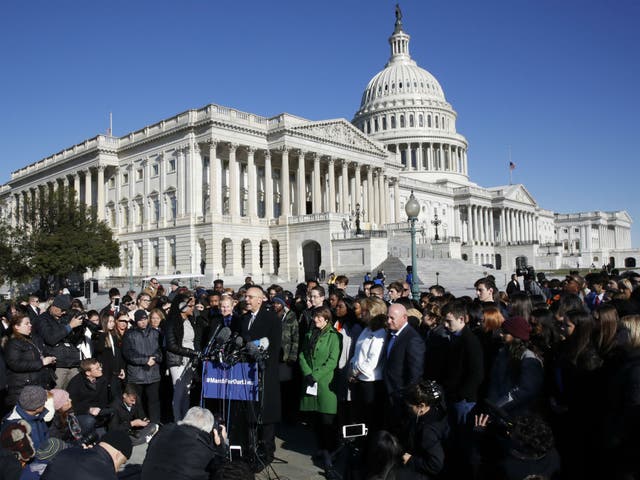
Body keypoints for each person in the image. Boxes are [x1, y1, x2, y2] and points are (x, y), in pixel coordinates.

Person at [240, 286, 282, 467]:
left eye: (250, 297)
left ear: (260, 299)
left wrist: (262, 362)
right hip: (246, 372)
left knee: (265, 415)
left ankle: (267, 453)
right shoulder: (244, 318)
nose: (246, 299)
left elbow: (274, 346)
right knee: (250, 414)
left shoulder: (271, 318)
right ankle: (251, 450)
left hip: (265, 372)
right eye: (246, 296)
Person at [299, 306, 340, 471]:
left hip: (325, 384)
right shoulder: (309, 334)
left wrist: (315, 375)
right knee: (315, 420)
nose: (315, 320)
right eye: (315, 317)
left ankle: (330, 451)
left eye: (318, 318)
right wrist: (307, 372)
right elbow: (302, 354)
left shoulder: (334, 337)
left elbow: (332, 360)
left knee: (327, 420)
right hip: (310, 382)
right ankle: (321, 448)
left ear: (326, 319)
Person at [141, 406, 227, 480]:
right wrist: (221, 445)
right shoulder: (205, 448)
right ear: (209, 429)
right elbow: (221, 473)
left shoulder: (162, 431)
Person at [383, 304, 425, 433]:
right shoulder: (392, 334)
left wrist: (406, 396)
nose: (389, 321)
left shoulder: (412, 339)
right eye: (387, 317)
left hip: (401, 395)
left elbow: (415, 372)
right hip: (389, 392)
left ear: (404, 318)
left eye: (392, 318)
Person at [349, 297, 387, 432]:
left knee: (370, 420)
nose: (362, 313)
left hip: (370, 381)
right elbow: (357, 352)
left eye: (365, 311)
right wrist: (352, 368)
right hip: (359, 379)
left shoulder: (380, 333)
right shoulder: (367, 329)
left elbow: (372, 360)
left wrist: (356, 372)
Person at [3, 313, 56, 407]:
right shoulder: (13, 343)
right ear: (17, 327)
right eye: (26, 323)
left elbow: (41, 352)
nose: (30, 325)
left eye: (30, 323)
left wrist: (50, 358)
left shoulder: (33, 339)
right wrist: (41, 362)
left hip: (38, 383)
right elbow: (15, 364)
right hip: (23, 388)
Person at [165, 293, 203, 421]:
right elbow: (171, 345)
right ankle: (177, 420)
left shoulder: (190, 321)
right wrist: (189, 352)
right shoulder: (171, 322)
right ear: (182, 307)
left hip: (190, 360)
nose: (193, 308)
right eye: (191, 306)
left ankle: (185, 420)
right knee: (179, 392)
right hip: (178, 360)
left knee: (187, 392)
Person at [32, 294, 83, 389]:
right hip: (57, 366)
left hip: (73, 363)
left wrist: (79, 327)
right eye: (62, 310)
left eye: (66, 311)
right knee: (57, 397)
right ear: (54, 306)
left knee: (74, 396)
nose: (64, 313)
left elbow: (74, 340)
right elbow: (50, 338)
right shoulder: (42, 319)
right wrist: (70, 326)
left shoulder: (64, 318)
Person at [400, 381, 449, 479]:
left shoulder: (427, 432)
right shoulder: (437, 408)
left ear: (421, 406)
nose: (407, 409)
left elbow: (435, 465)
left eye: (409, 407)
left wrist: (410, 460)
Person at [121, 310, 163, 423]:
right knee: (137, 402)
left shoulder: (155, 333)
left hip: (153, 372)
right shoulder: (129, 334)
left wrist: (155, 358)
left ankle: (155, 424)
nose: (143, 322)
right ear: (136, 321)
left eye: (144, 319)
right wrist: (145, 360)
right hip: (137, 374)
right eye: (140, 320)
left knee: (154, 401)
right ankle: (140, 424)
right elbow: (128, 353)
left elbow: (160, 350)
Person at [41, 429, 132, 480]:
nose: (117, 470)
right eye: (121, 463)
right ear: (119, 454)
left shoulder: (66, 453)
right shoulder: (108, 476)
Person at [66, 358, 111, 436]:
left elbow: (103, 399)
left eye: (100, 366)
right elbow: (71, 406)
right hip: (81, 413)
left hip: (98, 409)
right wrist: (88, 409)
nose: (101, 369)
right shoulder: (75, 383)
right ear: (88, 373)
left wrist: (99, 408)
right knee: (89, 421)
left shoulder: (102, 379)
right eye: (97, 368)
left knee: (113, 410)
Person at [2, 386, 49, 450]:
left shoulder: (36, 416)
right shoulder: (16, 430)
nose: (45, 404)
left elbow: (45, 434)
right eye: (44, 402)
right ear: (37, 407)